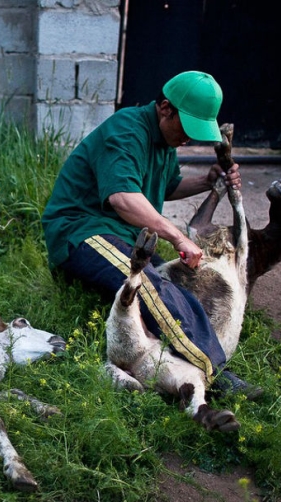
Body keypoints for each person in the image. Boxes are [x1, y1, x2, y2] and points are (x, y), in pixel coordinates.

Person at [42, 70, 259, 398]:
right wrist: (178, 237)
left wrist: (208, 181)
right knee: (151, 287)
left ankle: (170, 356)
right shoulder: (126, 130)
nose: (189, 138)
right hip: (82, 230)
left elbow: (168, 186)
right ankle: (215, 372)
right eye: (187, 127)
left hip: (125, 235)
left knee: (173, 282)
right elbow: (123, 198)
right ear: (165, 108)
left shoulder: (165, 140)